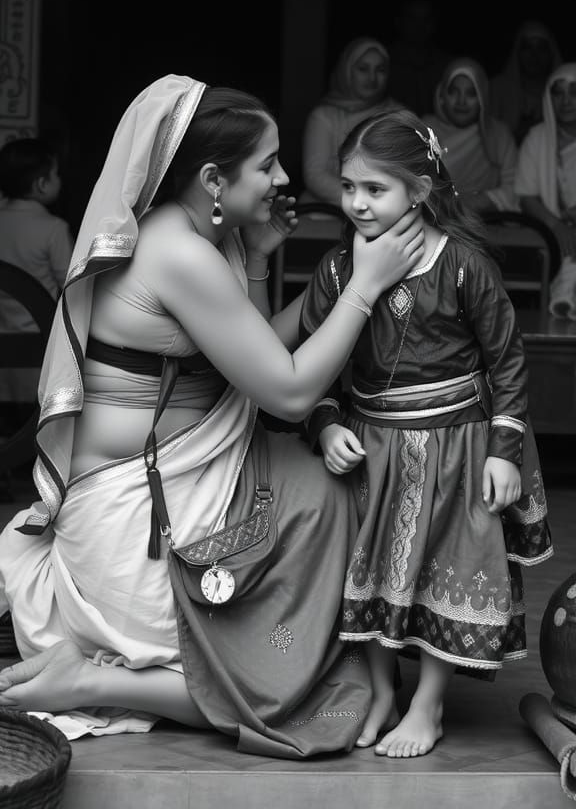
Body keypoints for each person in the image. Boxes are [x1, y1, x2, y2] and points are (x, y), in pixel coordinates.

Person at [0, 75, 425, 758]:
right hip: (140, 524)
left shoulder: (202, 231)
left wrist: (257, 260)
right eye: (266, 164)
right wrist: (367, 288)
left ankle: (289, 648)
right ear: (211, 179)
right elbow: (284, 393)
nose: (284, 176)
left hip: (185, 479)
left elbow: (251, 350)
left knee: (327, 488)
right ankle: (90, 680)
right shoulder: (179, 253)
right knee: (294, 671)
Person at [299, 110, 553, 759]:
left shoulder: (464, 266)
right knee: (376, 570)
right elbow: (316, 364)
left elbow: (508, 363)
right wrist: (325, 424)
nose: (356, 202)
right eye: (349, 185)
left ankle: (427, 703)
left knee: (448, 567)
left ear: (418, 191)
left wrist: (505, 454)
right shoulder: (336, 272)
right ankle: (382, 691)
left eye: (375, 189)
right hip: (372, 450)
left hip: (458, 448)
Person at [0, 138, 73, 410]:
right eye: (55, 174)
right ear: (41, 184)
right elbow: (71, 285)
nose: (59, 181)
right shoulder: (53, 228)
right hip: (37, 346)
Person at [300, 36, 400, 207]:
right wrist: (364, 201)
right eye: (363, 69)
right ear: (347, 70)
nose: (372, 78)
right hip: (329, 211)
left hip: (389, 211)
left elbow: (407, 171)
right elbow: (316, 176)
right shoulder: (324, 116)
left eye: (380, 70)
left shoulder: (399, 115)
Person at [515, 63, 576, 318]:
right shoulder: (536, 138)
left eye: (574, 92)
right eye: (558, 93)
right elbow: (527, 197)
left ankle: (566, 298)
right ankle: (565, 300)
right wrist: (556, 225)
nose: (566, 100)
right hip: (549, 228)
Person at [423, 57, 519, 216]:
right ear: (441, 96)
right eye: (453, 92)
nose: (461, 101)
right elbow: (410, 185)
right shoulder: (424, 130)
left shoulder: (498, 134)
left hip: (489, 225)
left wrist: (478, 202)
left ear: (483, 98)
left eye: (471, 93)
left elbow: (516, 189)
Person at [490, 21, 562, 145]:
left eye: (541, 48)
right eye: (527, 47)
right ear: (517, 53)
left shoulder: (564, 93)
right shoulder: (497, 89)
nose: (534, 55)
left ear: (551, 54)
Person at [386, 0, 452, 118]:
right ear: (399, 22)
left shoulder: (447, 66)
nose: (419, 26)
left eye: (425, 19)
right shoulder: (384, 64)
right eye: (412, 19)